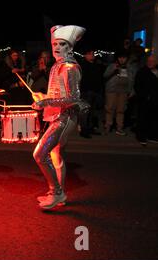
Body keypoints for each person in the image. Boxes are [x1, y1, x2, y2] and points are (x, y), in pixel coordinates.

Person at [32, 25, 88, 210]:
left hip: (65, 117)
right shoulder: (58, 65)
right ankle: (58, 193)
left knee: (40, 154)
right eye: (55, 43)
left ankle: (57, 192)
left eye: (62, 44)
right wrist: (43, 98)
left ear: (70, 47)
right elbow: (59, 93)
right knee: (55, 154)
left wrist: (45, 103)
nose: (57, 47)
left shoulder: (70, 67)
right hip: (58, 115)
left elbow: (73, 98)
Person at [103, 50, 134, 136]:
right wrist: (114, 69)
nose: (122, 59)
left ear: (127, 59)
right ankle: (108, 126)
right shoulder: (112, 66)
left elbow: (132, 80)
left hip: (124, 91)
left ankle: (119, 128)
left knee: (121, 110)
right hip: (112, 90)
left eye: (124, 58)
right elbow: (105, 75)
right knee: (109, 109)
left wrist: (131, 90)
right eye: (120, 57)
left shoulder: (129, 67)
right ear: (117, 58)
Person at [79, 49, 105, 138]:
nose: (92, 55)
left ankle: (90, 128)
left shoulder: (96, 65)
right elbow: (81, 80)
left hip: (95, 91)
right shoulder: (82, 66)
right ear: (85, 55)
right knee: (85, 111)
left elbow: (99, 78)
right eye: (89, 53)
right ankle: (84, 130)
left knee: (92, 111)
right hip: (86, 92)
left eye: (92, 53)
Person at [134, 55, 158, 146]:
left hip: (155, 100)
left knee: (154, 119)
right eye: (149, 61)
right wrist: (144, 96)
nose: (150, 62)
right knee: (143, 119)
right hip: (145, 100)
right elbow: (137, 86)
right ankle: (141, 137)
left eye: (152, 61)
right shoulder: (142, 72)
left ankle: (152, 136)